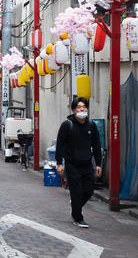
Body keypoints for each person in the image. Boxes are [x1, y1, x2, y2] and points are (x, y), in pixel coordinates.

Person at [55, 97, 102, 228]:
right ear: (74, 109)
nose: (82, 109)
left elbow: (97, 145)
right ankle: (78, 217)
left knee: (89, 191)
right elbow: (60, 144)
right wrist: (59, 163)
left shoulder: (91, 125)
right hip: (72, 164)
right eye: (79, 107)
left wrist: (98, 163)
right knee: (76, 192)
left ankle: (75, 205)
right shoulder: (67, 125)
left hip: (87, 163)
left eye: (84, 106)